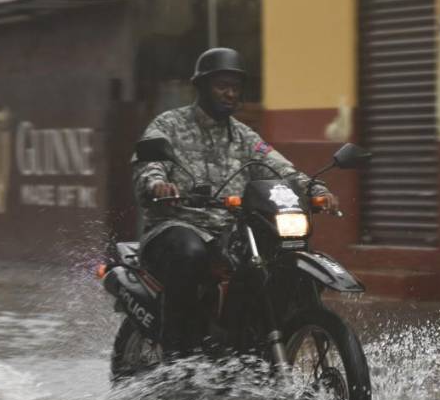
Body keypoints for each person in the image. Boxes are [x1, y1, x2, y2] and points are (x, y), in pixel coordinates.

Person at [132, 47, 338, 354]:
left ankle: (248, 341)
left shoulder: (245, 137)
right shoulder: (169, 125)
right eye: (221, 86)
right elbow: (147, 163)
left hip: (229, 229)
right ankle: (178, 354)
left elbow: (280, 168)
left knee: (274, 258)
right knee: (190, 254)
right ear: (201, 86)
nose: (230, 94)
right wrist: (157, 184)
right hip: (176, 224)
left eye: (235, 87)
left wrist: (315, 190)